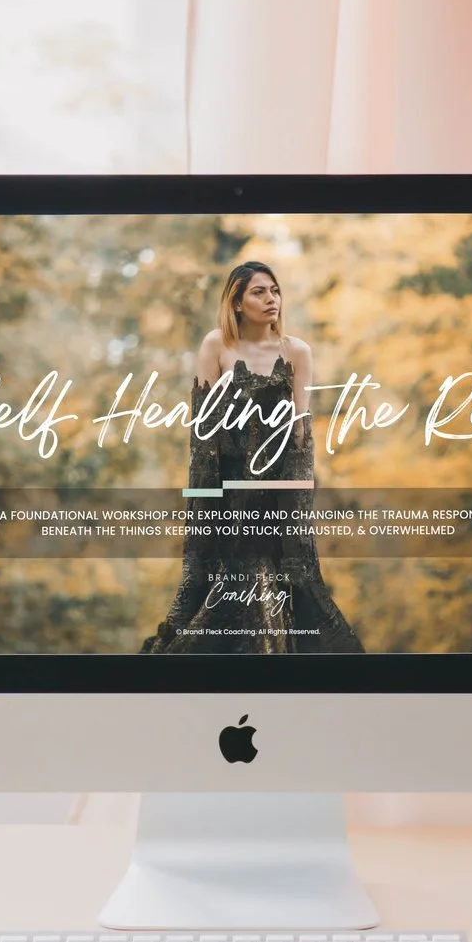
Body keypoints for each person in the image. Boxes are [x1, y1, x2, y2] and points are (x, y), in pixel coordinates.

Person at [142, 260, 365, 654]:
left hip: (276, 496)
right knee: (222, 590)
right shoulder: (216, 346)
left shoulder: (298, 352)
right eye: (259, 292)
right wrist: (206, 508)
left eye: (274, 290)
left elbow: (300, 436)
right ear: (238, 303)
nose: (271, 299)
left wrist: (292, 511)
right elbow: (203, 436)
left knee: (281, 591)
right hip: (227, 494)